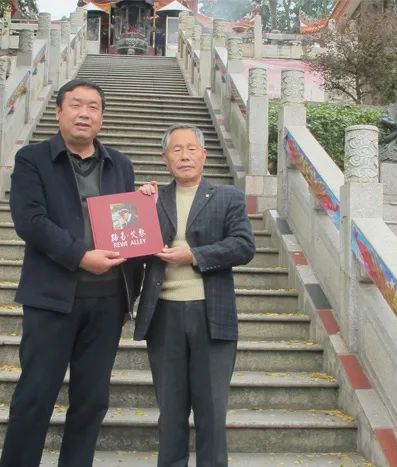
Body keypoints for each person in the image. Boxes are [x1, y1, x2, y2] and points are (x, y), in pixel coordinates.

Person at [0, 79, 141, 467]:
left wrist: (146, 205)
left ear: (102, 117)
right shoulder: (33, 159)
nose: (84, 113)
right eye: (76, 105)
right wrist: (80, 256)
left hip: (108, 300)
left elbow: (127, 225)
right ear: (59, 112)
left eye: (93, 107)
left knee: (92, 400)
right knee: (35, 396)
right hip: (52, 298)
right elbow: (30, 221)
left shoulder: (121, 165)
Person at [136, 123, 256, 467]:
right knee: (170, 409)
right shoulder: (153, 199)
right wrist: (138, 206)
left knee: (212, 410)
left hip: (211, 314)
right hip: (164, 314)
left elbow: (244, 246)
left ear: (204, 155)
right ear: (165, 158)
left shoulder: (227, 197)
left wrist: (194, 256)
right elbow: (132, 244)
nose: (185, 155)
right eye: (176, 149)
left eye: (191, 149)